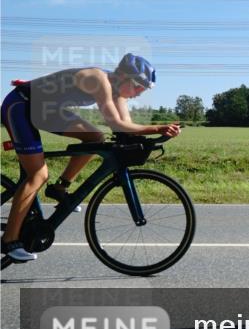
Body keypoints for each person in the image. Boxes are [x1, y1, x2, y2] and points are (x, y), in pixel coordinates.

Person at [1, 54, 181, 262]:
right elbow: (115, 123)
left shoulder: (118, 93)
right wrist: (157, 127)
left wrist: (158, 134)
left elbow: (128, 130)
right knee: (38, 175)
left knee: (95, 138)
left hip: (46, 110)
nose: (139, 93)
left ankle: (60, 188)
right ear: (123, 76)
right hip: (21, 106)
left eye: (143, 89)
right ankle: (9, 240)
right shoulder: (99, 80)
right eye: (138, 86)